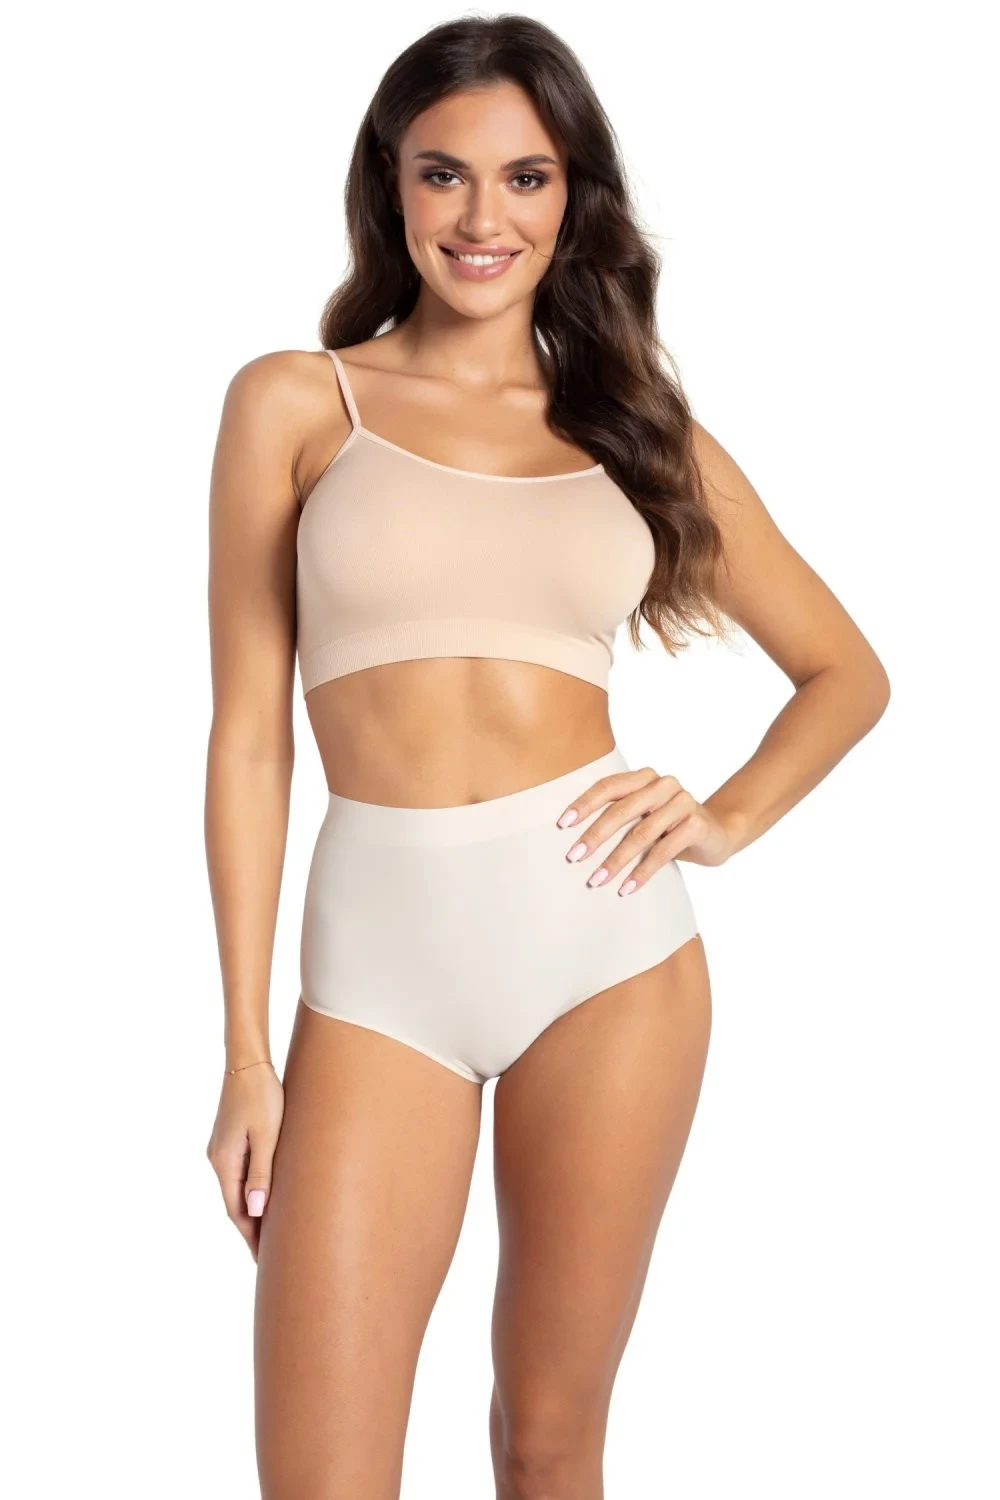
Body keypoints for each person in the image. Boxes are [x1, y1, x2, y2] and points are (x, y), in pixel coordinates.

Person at [203, 15, 890, 1499]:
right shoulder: (296, 403)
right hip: (376, 972)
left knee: (550, 1441)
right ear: (390, 185)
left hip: (609, 954)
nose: (483, 217)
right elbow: (249, 737)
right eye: (443, 173)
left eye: (526, 177)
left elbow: (848, 674)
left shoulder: (635, 434)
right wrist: (248, 1053)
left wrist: (721, 817)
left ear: (573, 197)